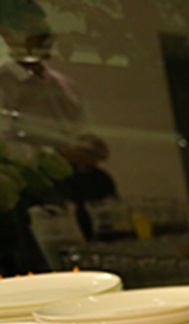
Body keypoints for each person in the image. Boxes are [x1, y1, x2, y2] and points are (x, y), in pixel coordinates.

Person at [0, 0, 114, 273]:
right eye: (32, 30)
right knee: (50, 266)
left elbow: (86, 134)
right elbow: (6, 145)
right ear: (8, 34)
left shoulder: (64, 84)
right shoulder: (4, 83)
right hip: (40, 191)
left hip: (85, 184)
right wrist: (56, 155)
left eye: (44, 29)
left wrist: (92, 146)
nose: (43, 37)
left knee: (101, 258)